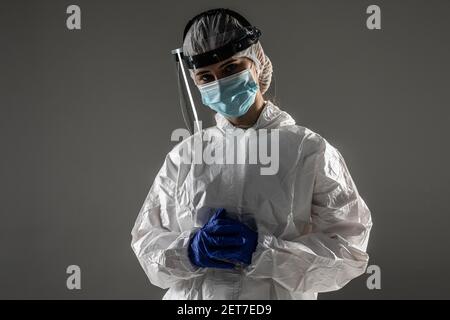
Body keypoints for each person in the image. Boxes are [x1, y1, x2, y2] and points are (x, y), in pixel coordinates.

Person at [131, 8, 372, 300]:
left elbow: (348, 252)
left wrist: (263, 252)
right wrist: (191, 251)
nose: (219, 83)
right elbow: (147, 243)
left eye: (231, 68)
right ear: (195, 83)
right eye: (206, 77)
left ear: (257, 64)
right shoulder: (185, 155)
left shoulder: (308, 150)